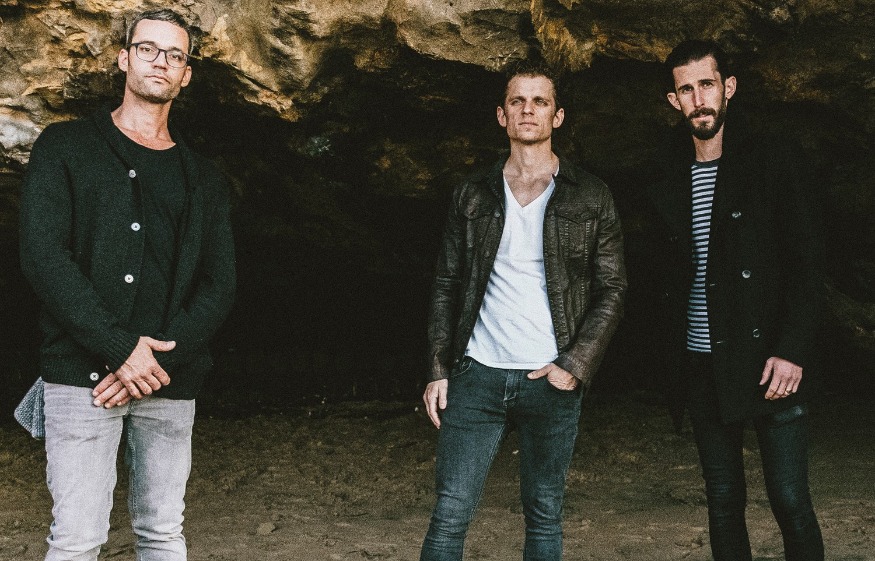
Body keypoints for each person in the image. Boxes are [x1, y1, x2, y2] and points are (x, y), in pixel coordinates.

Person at [19, 8, 235, 560]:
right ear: (123, 58)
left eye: (174, 55)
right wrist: (119, 348)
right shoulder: (65, 146)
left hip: (169, 379)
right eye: (148, 49)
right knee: (77, 538)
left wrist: (157, 360)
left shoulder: (204, 178)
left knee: (162, 532)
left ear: (186, 74)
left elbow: (218, 285)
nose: (160, 61)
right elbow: (44, 256)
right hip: (83, 378)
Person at [420, 61, 627, 561]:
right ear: (502, 115)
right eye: (517, 101)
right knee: (450, 511)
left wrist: (575, 365)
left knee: (544, 513)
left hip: (550, 379)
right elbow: (447, 283)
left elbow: (613, 288)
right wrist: (439, 368)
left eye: (540, 101)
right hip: (476, 374)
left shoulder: (591, 195)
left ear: (558, 116)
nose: (528, 110)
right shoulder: (473, 192)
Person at [647, 40, 824, 561]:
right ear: (673, 101)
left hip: (769, 361)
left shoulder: (772, 160)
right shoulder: (667, 173)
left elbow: (808, 264)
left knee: (789, 499)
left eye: (707, 84)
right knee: (724, 500)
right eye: (686, 90)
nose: (698, 99)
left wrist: (792, 349)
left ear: (728, 87)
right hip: (703, 361)